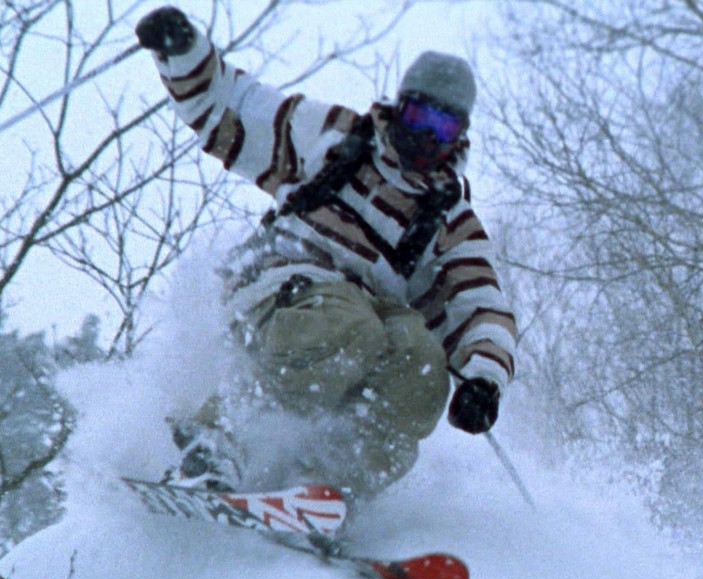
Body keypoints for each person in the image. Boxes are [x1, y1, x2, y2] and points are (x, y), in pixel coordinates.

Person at [135, 7, 516, 500]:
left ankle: (326, 484)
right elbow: (233, 106)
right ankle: (216, 437)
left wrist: (483, 380)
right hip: (282, 287)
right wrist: (183, 52)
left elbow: (480, 304)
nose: (425, 138)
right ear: (400, 108)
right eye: (419, 117)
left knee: (421, 364)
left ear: (458, 137)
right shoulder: (336, 138)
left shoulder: (449, 217)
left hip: (366, 322)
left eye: (441, 129)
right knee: (347, 321)